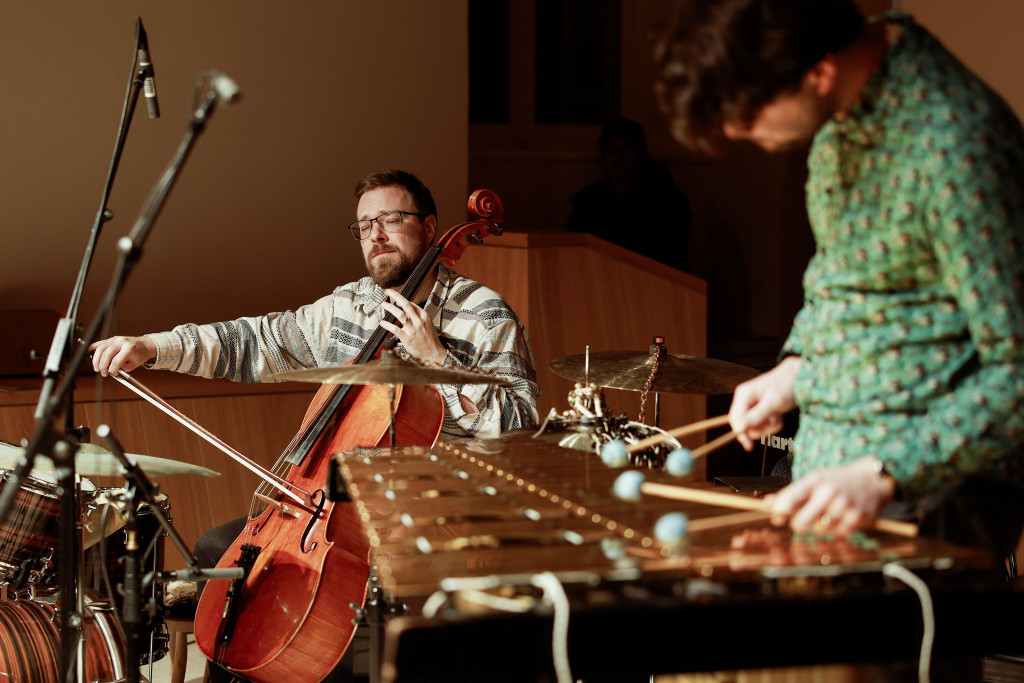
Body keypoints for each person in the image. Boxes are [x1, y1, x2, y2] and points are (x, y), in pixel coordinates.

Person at [91, 169, 540, 682]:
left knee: (352, 600)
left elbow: (520, 425)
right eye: (364, 225)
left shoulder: (483, 315)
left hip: (435, 516)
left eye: (391, 219)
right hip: (334, 511)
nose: (375, 235)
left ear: (431, 227)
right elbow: (256, 341)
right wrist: (153, 347)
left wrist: (437, 359)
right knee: (224, 553)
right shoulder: (350, 306)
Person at [656, 0, 1024, 560]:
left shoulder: (958, 145)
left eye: (747, 115)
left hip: (923, 505)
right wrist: (797, 368)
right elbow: (848, 281)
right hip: (830, 493)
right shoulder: (841, 121)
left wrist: (884, 473)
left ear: (820, 71)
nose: (735, 132)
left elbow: (1017, 369)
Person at [567, 117, 692, 272]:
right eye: (612, 148)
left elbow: (672, 260)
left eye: (628, 147)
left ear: (641, 154)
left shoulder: (666, 202)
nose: (619, 156)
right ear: (602, 154)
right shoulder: (588, 203)